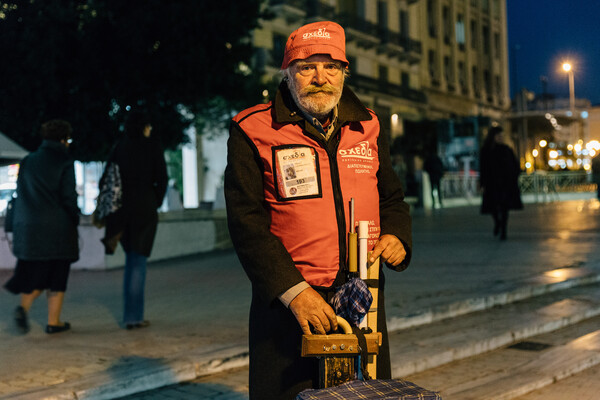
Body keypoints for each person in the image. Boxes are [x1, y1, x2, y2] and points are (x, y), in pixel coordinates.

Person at [224, 21, 412, 399]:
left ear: (345, 71)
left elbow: (391, 197)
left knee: (363, 393)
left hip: (362, 297)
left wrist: (397, 235)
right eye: (306, 67)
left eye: (330, 66)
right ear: (289, 73)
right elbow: (246, 222)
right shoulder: (253, 129)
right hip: (289, 304)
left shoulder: (369, 126)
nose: (319, 77)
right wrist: (294, 293)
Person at [3, 119, 79, 334]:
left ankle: (24, 307)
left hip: (29, 228)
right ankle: (53, 322)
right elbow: (68, 197)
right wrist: (74, 220)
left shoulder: (28, 160)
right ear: (64, 139)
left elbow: (21, 194)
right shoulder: (64, 161)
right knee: (57, 276)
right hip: (57, 229)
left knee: (36, 272)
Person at [103, 111, 168, 329]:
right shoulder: (152, 146)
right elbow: (162, 178)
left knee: (131, 260)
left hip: (122, 211)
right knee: (138, 262)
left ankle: (130, 315)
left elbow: (107, 178)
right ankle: (134, 317)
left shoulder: (119, 147)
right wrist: (155, 201)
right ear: (145, 127)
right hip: (145, 209)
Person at [479, 126, 523, 240]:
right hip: (492, 184)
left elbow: (514, 165)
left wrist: (514, 176)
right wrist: (482, 183)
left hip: (505, 184)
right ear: (493, 137)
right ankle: (497, 223)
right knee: (492, 207)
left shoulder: (506, 149)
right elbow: (483, 168)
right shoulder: (486, 151)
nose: (501, 138)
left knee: (504, 208)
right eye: (498, 136)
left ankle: (503, 230)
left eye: (502, 136)